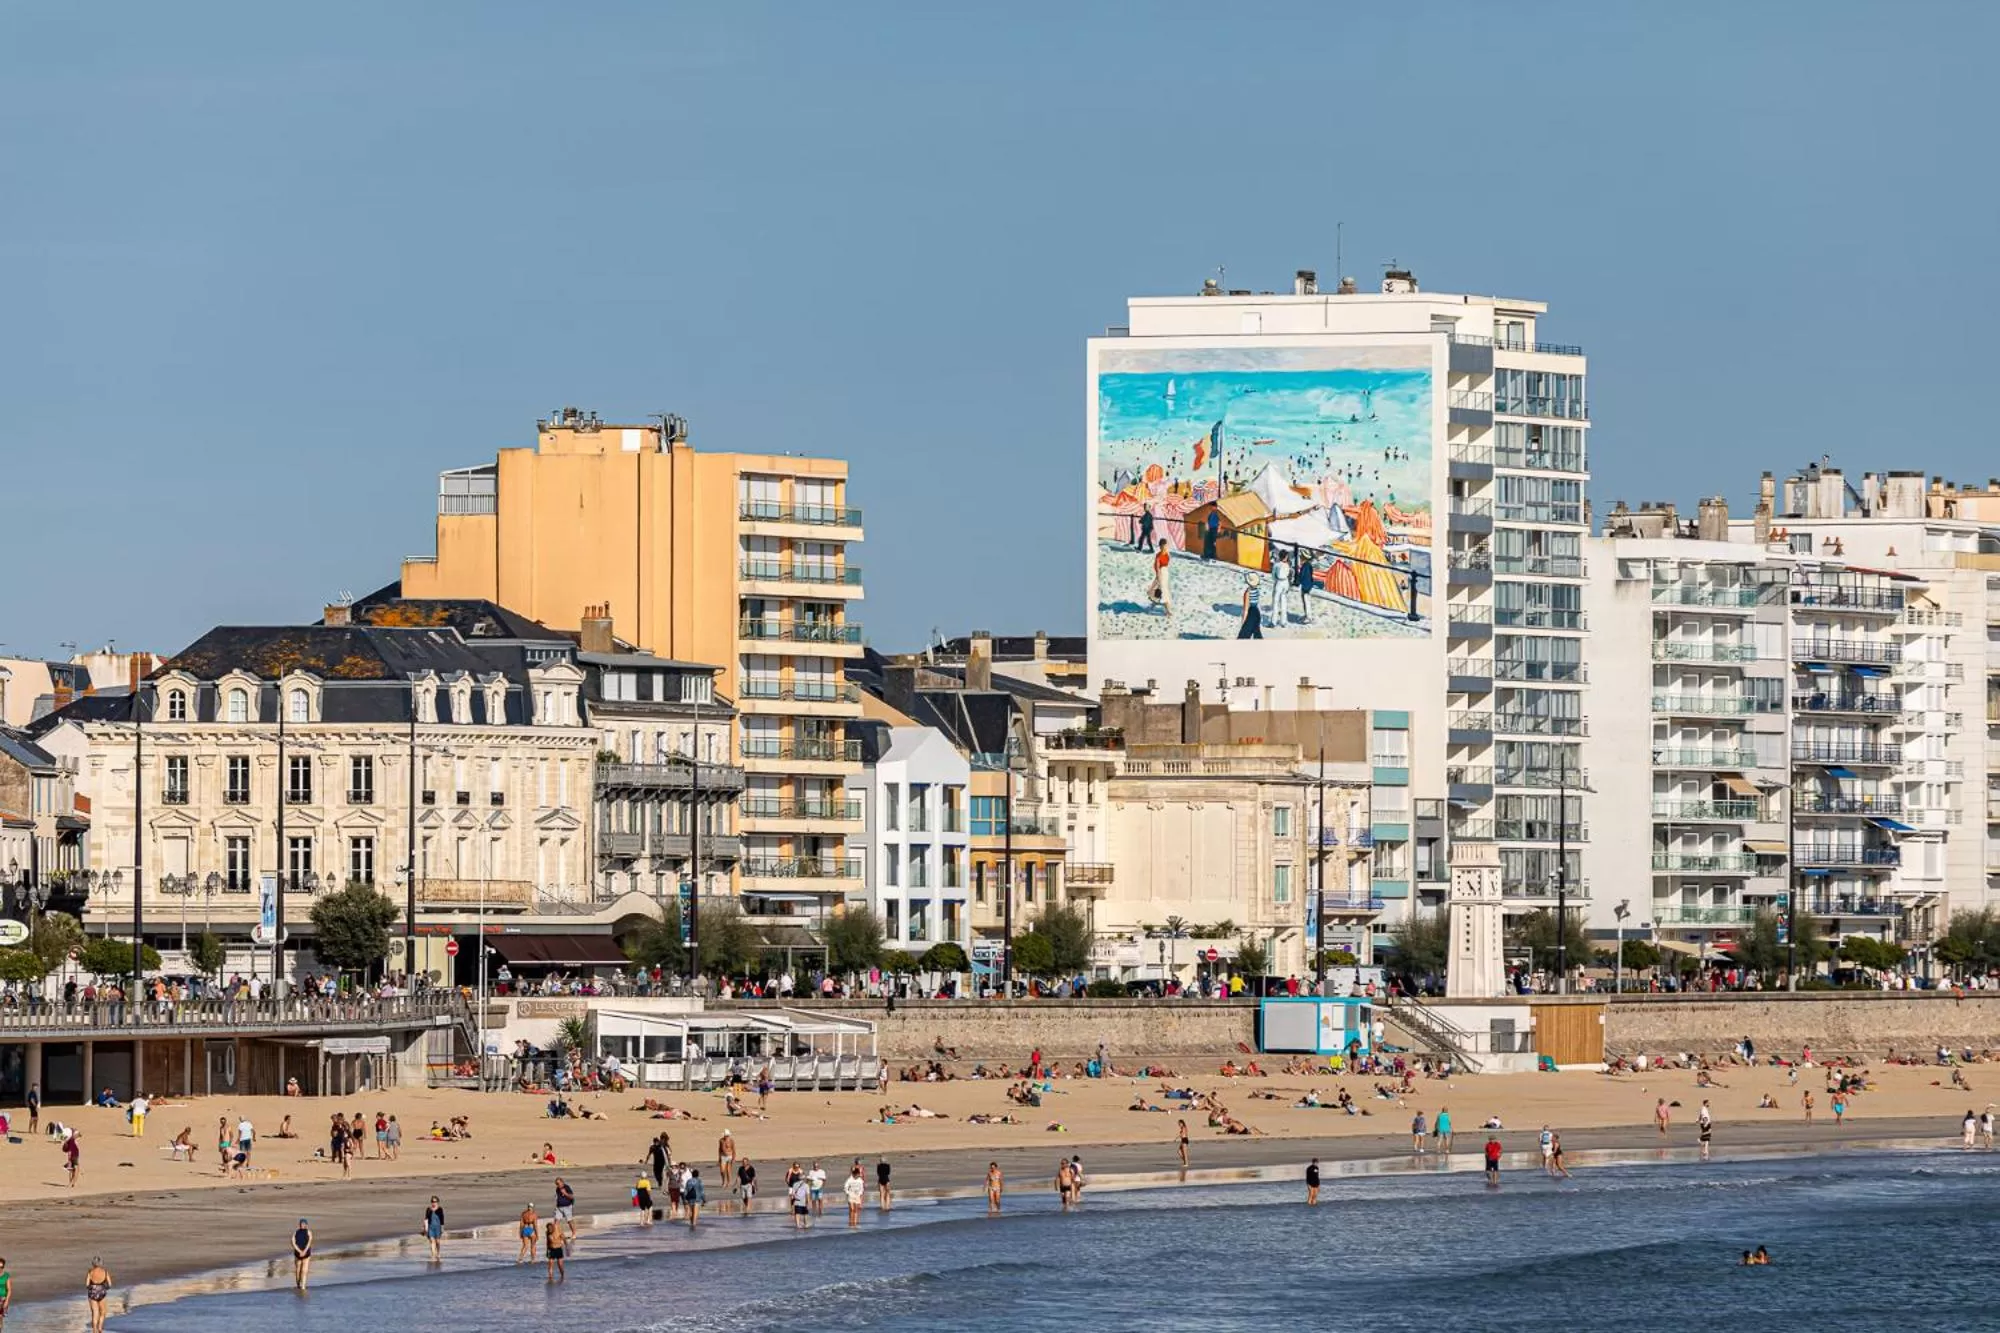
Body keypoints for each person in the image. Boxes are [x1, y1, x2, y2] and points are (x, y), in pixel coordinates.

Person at [84, 1258, 111, 1333]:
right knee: (103, 1312)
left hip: (92, 1292)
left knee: (94, 1312)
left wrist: (92, 1287)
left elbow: (87, 1285)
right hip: (102, 1292)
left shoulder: (90, 1272)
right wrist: (104, 1288)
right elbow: (109, 1284)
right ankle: (100, 1327)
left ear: (93, 1263)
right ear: (101, 1263)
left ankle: (94, 1329)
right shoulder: (105, 1272)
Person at [1149, 540, 1173, 616]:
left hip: (1165, 573)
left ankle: (1153, 606)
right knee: (1164, 592)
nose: (1164, 548)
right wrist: (1158, 577)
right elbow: (1157, 567)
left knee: (1161, 591)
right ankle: (1168, 611)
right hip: (1161, 574)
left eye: (1165, 546)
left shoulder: (1167, 553)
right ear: (1160, 547)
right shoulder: (1158, 556)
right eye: (1163, 546)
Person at [291, 1219, 313, 1290]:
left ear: (306, 1225)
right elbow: (293, 1243)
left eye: (303, 1224)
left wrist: (304, 1251)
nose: (302, 1225)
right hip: (298, 1253)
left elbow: (309, 1242)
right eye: (301, 1224)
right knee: (298, 1270)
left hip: (306, 1253)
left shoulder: (309, 1232)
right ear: (299, 1224)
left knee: (304, 1271)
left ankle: (303, 1287)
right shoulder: (295, 1232)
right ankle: (298, 1285)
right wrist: (300, 1251)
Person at [553, 1176, 576, 1243]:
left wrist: (565, 1193)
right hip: (559, 1207)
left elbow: (572, 1197)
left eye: (558, 1183)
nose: (558, 1185)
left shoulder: (567, 1187)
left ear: (562, 1182)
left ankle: (574, 1234)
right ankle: (556, 1234)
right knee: (556, 1221)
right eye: (556, 1184)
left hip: (567, 1207)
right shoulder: (557, 1189)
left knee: (569, 1221)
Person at [422, 1196, 445, 1263]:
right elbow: (426, 1219)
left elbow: (442, 1218)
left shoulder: (440, 1209)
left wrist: (442, 1227)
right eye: (432, 1201)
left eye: (435, 1201)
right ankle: (433, 1254)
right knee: (432, 1241)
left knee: (437, 1241)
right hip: (430, 1227)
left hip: (438, 1227)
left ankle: (438, 1253)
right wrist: (425, 1228)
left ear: (438, 1202)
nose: (433, 1203)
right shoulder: (428, 1209)